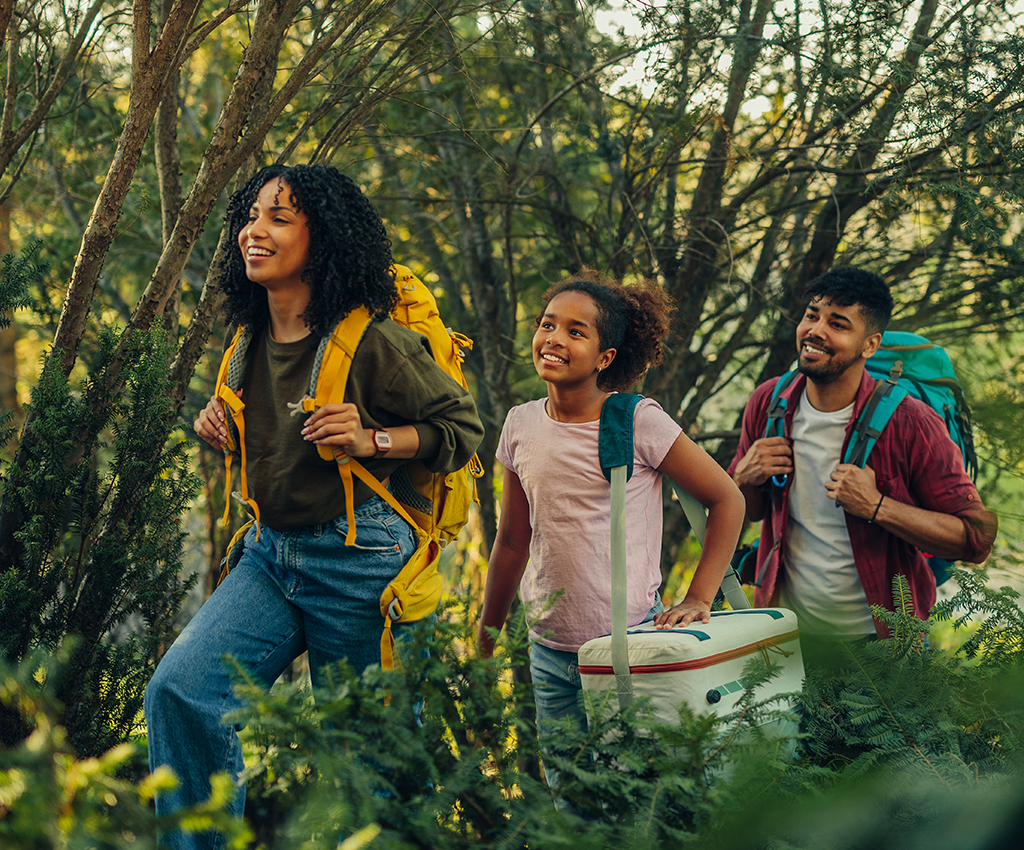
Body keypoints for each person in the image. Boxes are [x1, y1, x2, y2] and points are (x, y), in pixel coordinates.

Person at [145, 164, 484, 850]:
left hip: (363, 566)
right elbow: (268, 443)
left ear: (320, 239)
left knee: (366, 767)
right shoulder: (247, 342)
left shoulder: (374, 341)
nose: (255, 231)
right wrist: (220, 425)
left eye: (279, 217)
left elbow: (463, 432)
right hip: (272, 557)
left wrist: (374, 436)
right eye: (252, 215)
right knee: (181, 693)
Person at [476, 270, 746, 765]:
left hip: (628, 648)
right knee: (568, 790)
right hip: (547, 651)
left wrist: (700, 597)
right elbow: (513, 542)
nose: (554, 339)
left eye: (576, 332)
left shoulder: (638, 420)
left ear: (606, 359)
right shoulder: (520, 424)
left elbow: (727, 499)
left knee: (634, 789)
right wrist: (485, 641)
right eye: (547, 324)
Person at [727, 266, 997, 665]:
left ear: (869, 345)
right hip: (788, 637)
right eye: (811, 315)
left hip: (885, 646)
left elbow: (975, 539)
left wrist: (877, 506)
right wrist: (742, 478)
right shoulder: (770, 402)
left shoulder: (911, 422)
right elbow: (751, 512)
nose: (816, 330)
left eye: (838, 324)